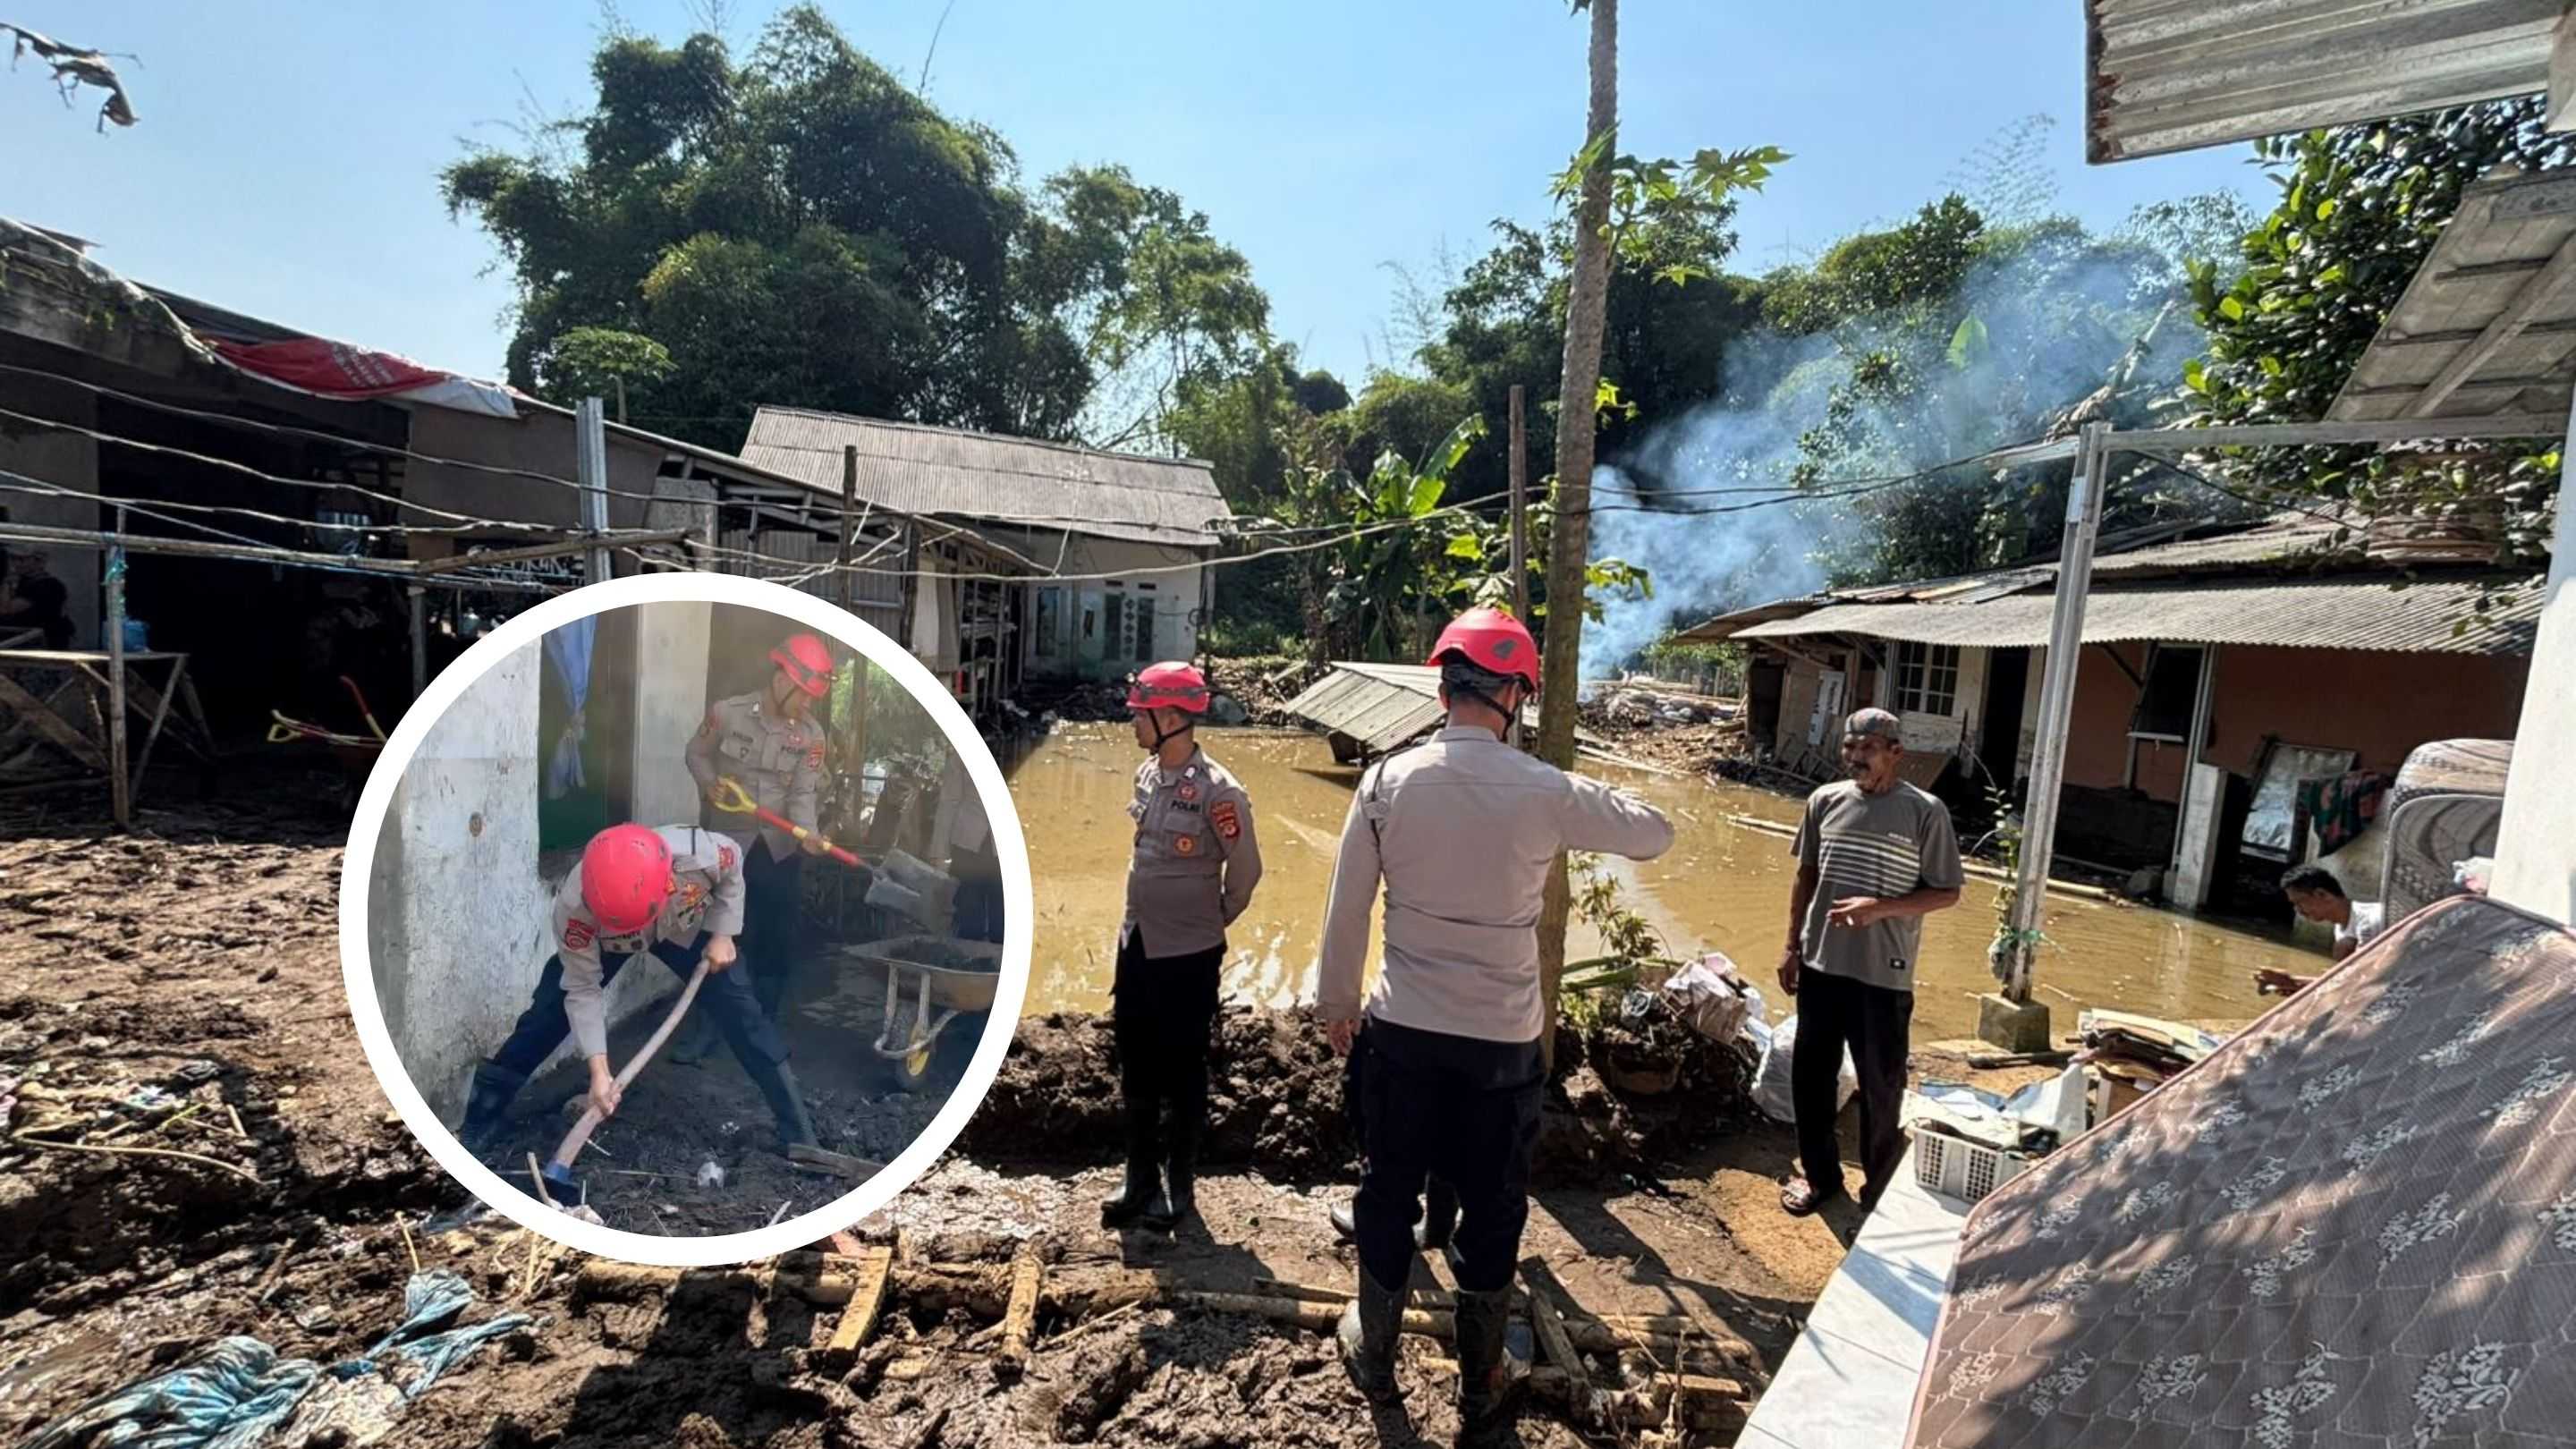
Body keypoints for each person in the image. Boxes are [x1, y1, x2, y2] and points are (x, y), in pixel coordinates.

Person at [1317, 606, 1673, 1444]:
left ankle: (1376, 1355)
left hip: (1404, 1032)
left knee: (1387, 1188)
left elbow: (1346, 911)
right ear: (1515, 695)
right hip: (1503, 1045)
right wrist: (1570, 789)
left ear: (1444, 689)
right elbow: (1655, 834)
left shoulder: (1385, 782)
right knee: (1494, 1202)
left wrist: (1338, 1006)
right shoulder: (1545, 789)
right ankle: (1481, 1386)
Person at [455, 823, 820, 1174]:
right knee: (550, 1011)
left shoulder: (699, 852)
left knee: (741, 1010)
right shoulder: (574, 911)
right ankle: (482, 1116)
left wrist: (723, 933)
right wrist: (599, 1070)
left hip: (681, 925)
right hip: (607, 940)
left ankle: (798, 1130)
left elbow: (734, 861)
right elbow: (583, 990)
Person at [1777, 708, 1963, 1220]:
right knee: (1811, 1078)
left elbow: (1947, 892)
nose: (1856, 757)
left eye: (1868, 748)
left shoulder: (1925, 812)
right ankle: (1820, 1177)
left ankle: (1878, 1191)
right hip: (1821, 965)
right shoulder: (1824, 801)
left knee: (1881, 1087)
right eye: (1850, 746)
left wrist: (1879, 909)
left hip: (1883, 975)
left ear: (1895, 753)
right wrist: (1791, 946)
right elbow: (1806, 876)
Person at [1101, 660, 1265, 1235]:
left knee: (1183, 1069)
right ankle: (1139, 1178)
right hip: (1138, 942)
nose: (1133, 723)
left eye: (1140, 714)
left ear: (1170, 717)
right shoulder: (1147, 776)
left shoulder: (1220, 792)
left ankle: (1180, 1183)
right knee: (1136, 1062)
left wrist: (1210, 921)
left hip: (1189, 954)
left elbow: (1246, 872)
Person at [671, 632, 836, 1062]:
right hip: (727, 847)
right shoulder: (727, 713)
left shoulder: (812, 735)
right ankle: (706, 1030)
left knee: (774, 941)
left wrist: (809, 833)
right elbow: (696, 753)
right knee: (717, 935)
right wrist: (709, 785)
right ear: (782, 679)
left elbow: (802, 794)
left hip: (780, 852)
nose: (808, 703)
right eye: (804, 693)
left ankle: (763, 1032)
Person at [2254, 864, 2387, 996]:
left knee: (2344, 947)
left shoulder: (2367, 922)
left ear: (2322, 894)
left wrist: (2294, 982)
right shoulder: (2341, 927)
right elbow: (2348, 980)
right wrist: (2292, 983)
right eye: (2294, 904)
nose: (2298, 910)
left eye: (2300, 902)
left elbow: (2360, 980)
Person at [0, 552, 72, 649]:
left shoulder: (48, 584)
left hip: (43, 641)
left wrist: (6, 582)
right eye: (13, 559)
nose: (16, 564)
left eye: (22, 560)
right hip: (21, 639)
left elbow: (6, 609)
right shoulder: (23, 581)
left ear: (39, 562)